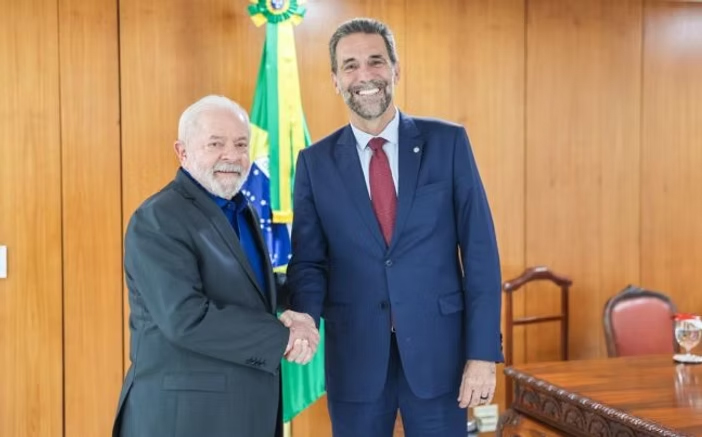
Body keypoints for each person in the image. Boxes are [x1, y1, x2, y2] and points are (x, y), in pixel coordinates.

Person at [286, 18, 503, 437]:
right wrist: (306, 320)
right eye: (350, 65)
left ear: (396, 70)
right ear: (335, 79)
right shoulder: (314, 163)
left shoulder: (449, 143)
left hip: (440, 358)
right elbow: (309, 262)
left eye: (375, 61)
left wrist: (482, 354)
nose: (364, 75)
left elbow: (480, 252)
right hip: (355, 357)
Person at [112, 95, 319, 437]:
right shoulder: (158, 218)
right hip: (184, 419)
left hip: (242, 413)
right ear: (182, 152)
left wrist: (308, 296)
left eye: (241, 144)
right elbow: (186, 317)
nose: (232, 156)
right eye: (215, 144)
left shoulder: (240, 208)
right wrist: (284, 337)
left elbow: (248, 286)